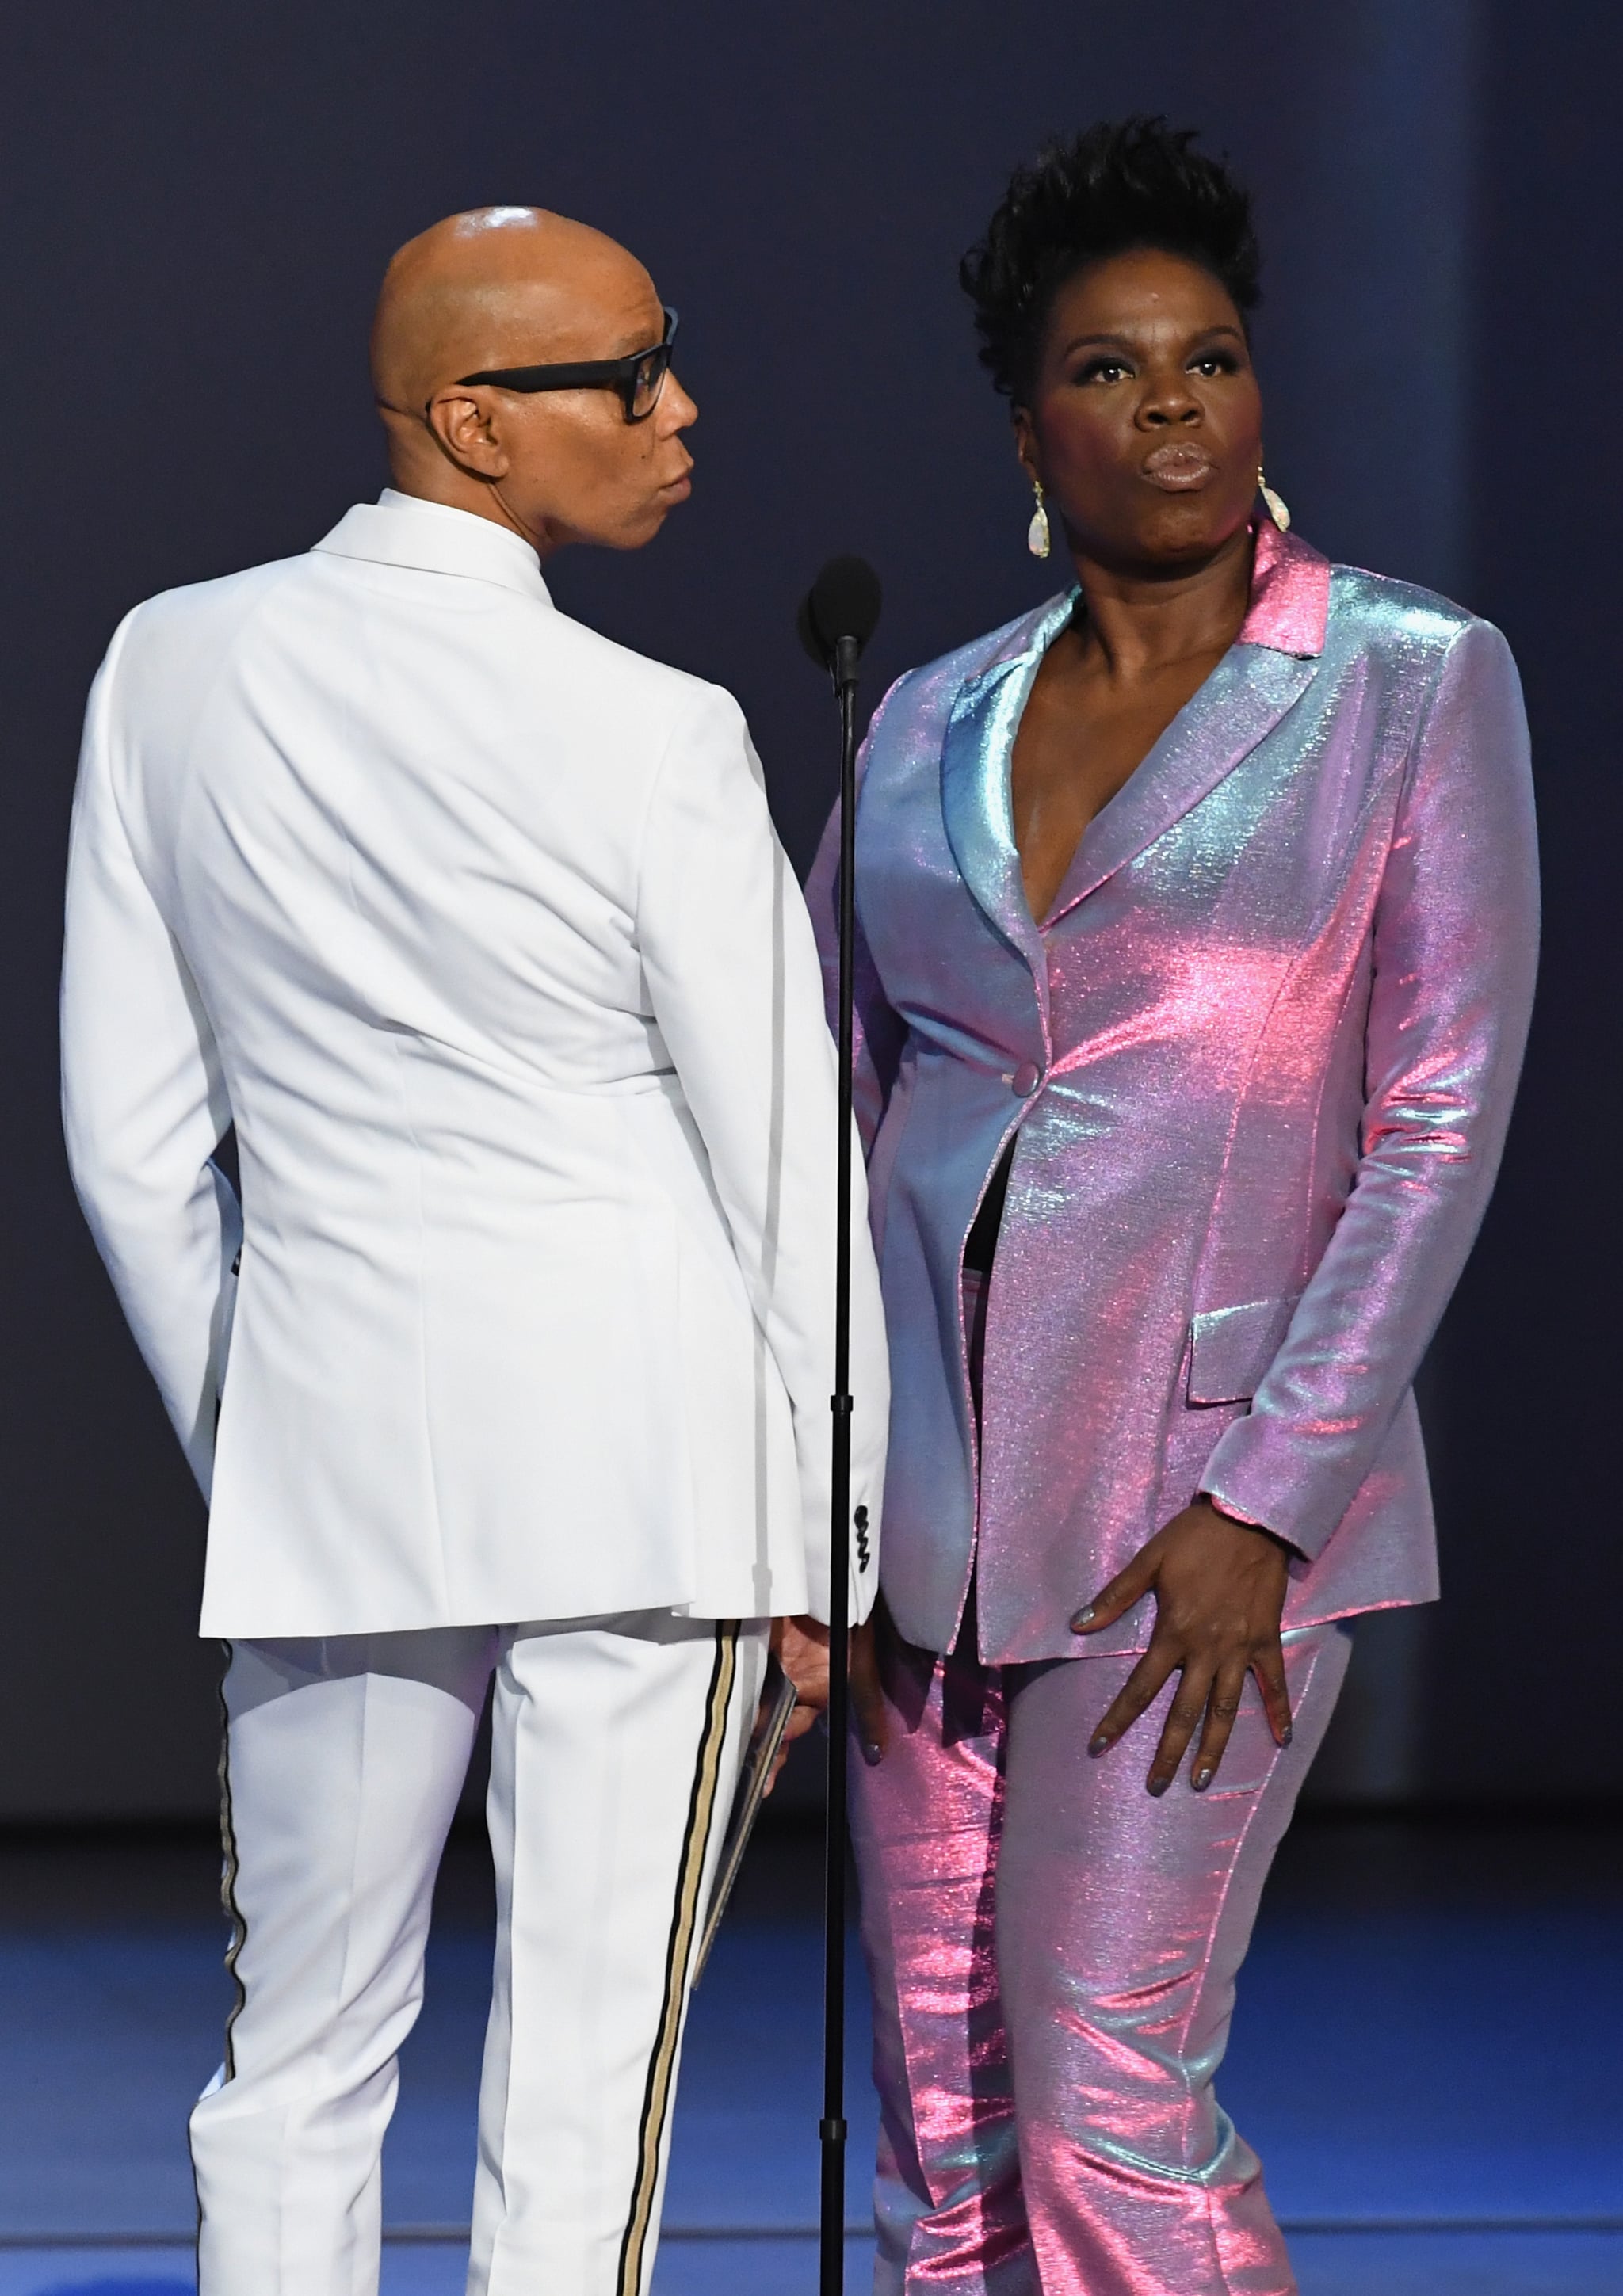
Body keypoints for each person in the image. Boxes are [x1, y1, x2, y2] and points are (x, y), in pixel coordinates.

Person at [60, 204, 887, 2296]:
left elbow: (133, 1140)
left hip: (335, 1465)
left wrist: (259, 1428)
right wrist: (838, 1539)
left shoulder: (169, 659)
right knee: (585, 2082)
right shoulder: (656, 727)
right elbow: (788, 1164)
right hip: (654, 1485)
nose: (679, 408)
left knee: (294, 2063)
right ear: (470, 417)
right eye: (630, 372)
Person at [811, 120, 1537, 2296]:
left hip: (1196, 1523)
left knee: (1109, 2099)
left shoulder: (1408, 680)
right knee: (945, 2149)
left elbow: (1439, 1113)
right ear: (1030, 422)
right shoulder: (926, 718)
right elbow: (839, 1122)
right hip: (926, 1543)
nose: (1172, 408)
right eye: (1113, 370)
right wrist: (828, 1509)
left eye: (1209, 359)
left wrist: (1274, 1502)